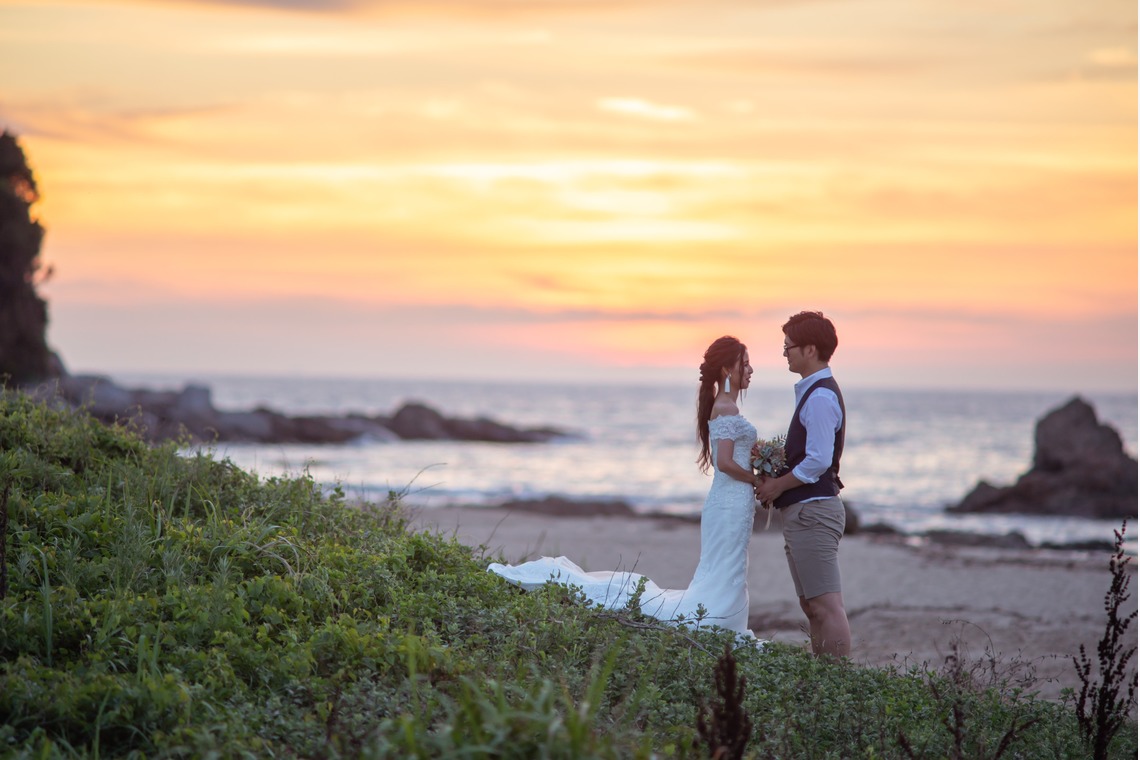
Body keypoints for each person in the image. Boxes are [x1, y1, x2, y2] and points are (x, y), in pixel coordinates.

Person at [487, 336, 762, 639]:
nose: (750, 370)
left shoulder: (723, 406)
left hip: (731, 502)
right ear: (726, 369)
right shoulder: (727, 409)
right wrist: (758, 479)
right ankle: (718, 621)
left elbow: (730, 457)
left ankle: (725, 620)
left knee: (727, 564)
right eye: (744, 364)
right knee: (724, 564)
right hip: (730, 500)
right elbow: (724, 463)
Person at [756, 311, 851, 658]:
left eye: (789, 347)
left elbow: (818, 460)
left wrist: (778, 485)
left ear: (810, 349)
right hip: (804, 513)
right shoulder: (813, 393)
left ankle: (837, 684)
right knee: (812, 605)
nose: (785, 353)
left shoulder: (821, 398)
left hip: (814, 511)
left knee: (826, 605)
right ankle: (822, 675)